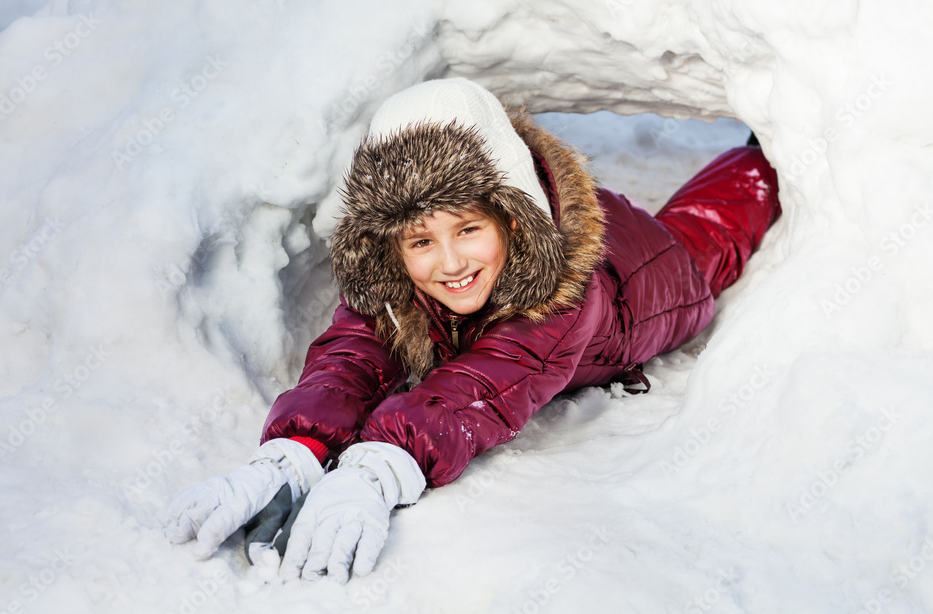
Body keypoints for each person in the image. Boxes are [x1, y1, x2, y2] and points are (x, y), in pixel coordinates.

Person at [163, 78, 781, 584]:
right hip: (568, 224)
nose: (450, 263)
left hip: (642, 280)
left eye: (467, 230)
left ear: (513, 218)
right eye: (421, 241)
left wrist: (378, 467)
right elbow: (353, 351)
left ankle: (766, 158)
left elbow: (485, 381)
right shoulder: (395, 272)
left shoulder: (568, 294)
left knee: (707, 234)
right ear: (390, 246)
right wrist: (295, 450)